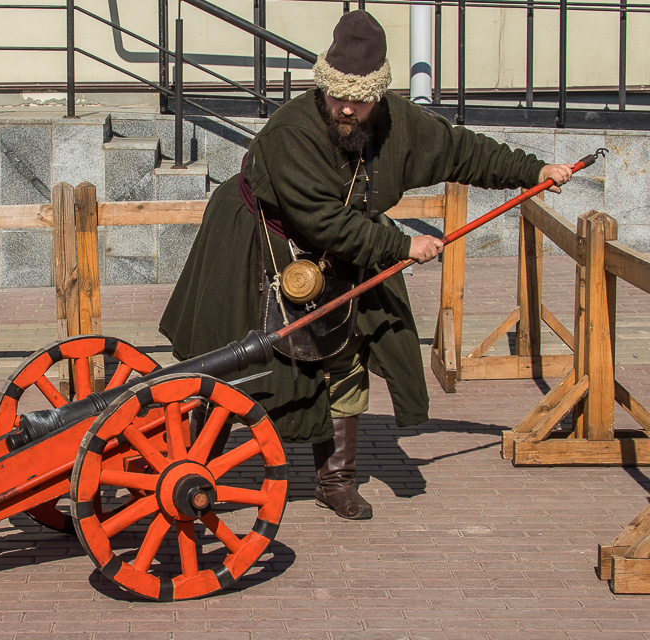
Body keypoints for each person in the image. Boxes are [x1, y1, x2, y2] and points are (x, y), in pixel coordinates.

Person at [159, 10, 574, 520]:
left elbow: (461, 151)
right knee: (231, 359)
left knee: (346, 352)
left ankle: (336, 480)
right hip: (258, 240)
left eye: (358, 100)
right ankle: (185, 467)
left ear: (379, 95)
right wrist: (402, 246)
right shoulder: (292, 130)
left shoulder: (396, 122)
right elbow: (323, 221)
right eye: (337, 96)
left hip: (346, 250)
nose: (346, 109)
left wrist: (535, 169)